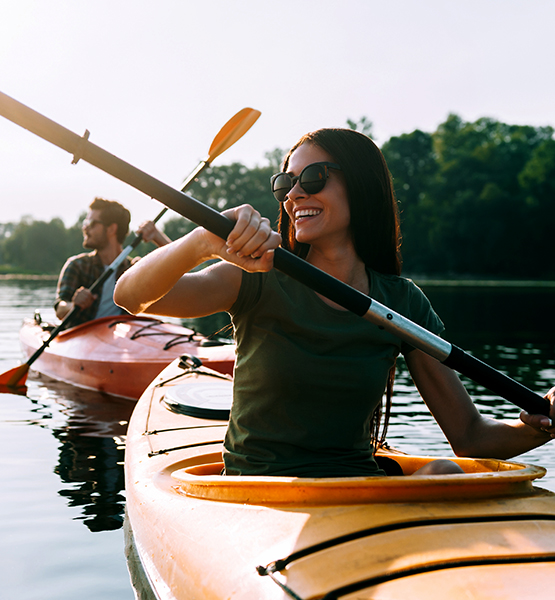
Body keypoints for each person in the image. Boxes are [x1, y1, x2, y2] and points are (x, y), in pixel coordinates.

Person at [114, 128, 555, 478]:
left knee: (444, 470)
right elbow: (130, 296)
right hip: (261, 491)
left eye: (312, 178)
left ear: (360, 186)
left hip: (355, 486)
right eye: (286, 183)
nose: (294, 195)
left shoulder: (401, 303)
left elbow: (470, 437)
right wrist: (200, 243)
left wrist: (540, 423)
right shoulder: (255, 276)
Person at [55, 197, 171, 326]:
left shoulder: (134, 269)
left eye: (91, 223)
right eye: (85, 223)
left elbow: (179, 268)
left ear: (111, 229)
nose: (85, 228)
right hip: (81, 337)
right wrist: (73, 305)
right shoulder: (77, 265)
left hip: (120, 340)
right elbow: (60, 309)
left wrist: (157, 236)